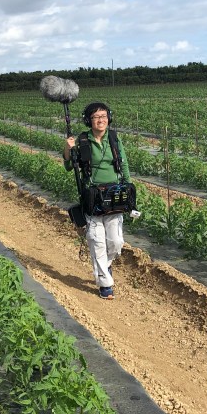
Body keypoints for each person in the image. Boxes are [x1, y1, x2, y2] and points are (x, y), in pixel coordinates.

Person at [63, 102, 131, 300]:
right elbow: (69, 166)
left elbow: (124, 164)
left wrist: (129, 189)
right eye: (96, 117)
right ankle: (105, 284)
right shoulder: (83, 141)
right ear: (89, 121)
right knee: (96, 240)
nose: (100, 120)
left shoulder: (114, 139)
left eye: (103, 116)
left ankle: (105, 264)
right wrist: (68, 149)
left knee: (116, 242)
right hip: (92, 197)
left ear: (109, 118)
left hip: (115, 195)